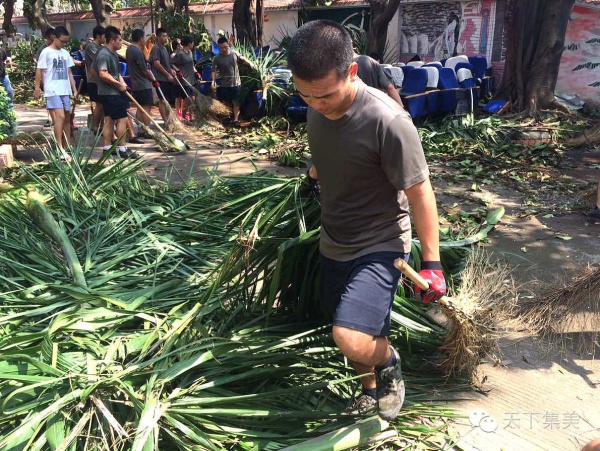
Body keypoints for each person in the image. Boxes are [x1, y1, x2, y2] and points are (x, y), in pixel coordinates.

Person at [287, 20, 446, 421]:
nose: (315, 103)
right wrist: (312, 175)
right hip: (334, 238)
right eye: (304, 93)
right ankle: (369, 390)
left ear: (352, 72)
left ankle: (390, 363)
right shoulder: (315, 104)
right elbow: (328, 152)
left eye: (323, 94)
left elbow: (420, 192)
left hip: (382, 242)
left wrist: (432, 264)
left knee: (350, 335)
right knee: (354, 325)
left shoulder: (388, 121)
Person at [92, 26, 139, 160]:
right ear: (112, 40)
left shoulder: (112, 53)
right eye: (119, 39)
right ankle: (122, 148)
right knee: (122, 119)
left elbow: (114, 72)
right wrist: (117, 84)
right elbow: (102, 73)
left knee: (109, 120)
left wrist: (122, 82)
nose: (121, 42)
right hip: (110, 94)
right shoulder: (104, 54)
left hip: (112, 91)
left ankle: (107, 148)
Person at [34, 26, 77, 159]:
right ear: (55, 38)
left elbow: (69, 72)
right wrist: (37, 88)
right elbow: (39, 70)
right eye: (62, 41)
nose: (64, 44)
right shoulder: (46, 52)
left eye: (66, 42)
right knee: (60, 117)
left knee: (67, 117)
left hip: (65, 89)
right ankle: (59, 147)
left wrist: (74, 89)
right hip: (52, 90)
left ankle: (67, 146)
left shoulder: (65, 53)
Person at [212, 36, 254, 127]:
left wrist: (250, 63)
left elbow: (242, 60)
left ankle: (236, 119)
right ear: (219, 47)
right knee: (226, 102)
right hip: (224, 84)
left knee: (236, 101)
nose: (223, 49)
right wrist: (213, 81)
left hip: (236, 83)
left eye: (225, 47)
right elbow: (213, 70)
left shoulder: (234, 54)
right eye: (221, 47)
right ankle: (227, 118)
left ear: (228, 44)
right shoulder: (216, 58)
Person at [126, 28, 154, 140]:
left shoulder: (129, 50)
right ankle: (147, 129)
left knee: (140, 107)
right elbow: (143, 70)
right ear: (140, 38)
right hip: (143, 83)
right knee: (146, 107)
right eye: (144, 38)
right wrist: (152, 79)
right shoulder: (137, 51)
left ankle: (140, 129)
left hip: (135, 83)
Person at [150, 28, 176, 125]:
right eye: (164, 36)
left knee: (167, 99)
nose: (166, 38)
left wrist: (171, 70)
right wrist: (167, 74)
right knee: (162, 100)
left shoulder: (164, 48)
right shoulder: (156, 48)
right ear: (158, 37)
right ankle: (165, 121)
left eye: (166, 36)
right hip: (160, 78)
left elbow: (166, 63)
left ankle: (169, 120)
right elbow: (156, 63)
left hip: (167, 78)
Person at [171, 36, 199, 120]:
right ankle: (182, 116)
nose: (193, 45)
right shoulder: (180, 54)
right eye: (192, 43)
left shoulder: (190, 52)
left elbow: (191, 64)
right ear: (189, 43)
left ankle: (191, 117)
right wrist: (178, 70)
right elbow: (172, 63)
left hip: (191, 79)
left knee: (192, 99)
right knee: (188, 100)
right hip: (184, 80)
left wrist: (196, 72)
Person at [85, 25, 106, 134]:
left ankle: (103, 127)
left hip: (102, 80)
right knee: (99, 104)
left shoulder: (102, 47)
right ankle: (95, 126)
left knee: (103, 104)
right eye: (104, 36)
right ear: (98, 36)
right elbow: (99, 60)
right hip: (93, 80)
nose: (105, 38)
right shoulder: (91, 47)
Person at [35, 28, 56, 128]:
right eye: (52, 39)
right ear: (48, 38)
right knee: (50, 101)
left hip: (58, 79)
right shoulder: (42, 50)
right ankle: (53, 120)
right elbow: (40, 69)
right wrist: (40, 85)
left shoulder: (59, 48)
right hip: (47, 78)